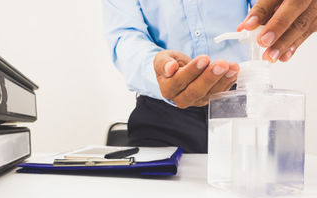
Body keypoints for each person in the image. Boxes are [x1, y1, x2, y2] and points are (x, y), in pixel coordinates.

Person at [102, 0, 317, 153]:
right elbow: (126, 35)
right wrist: (157, 69)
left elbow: (269, 7)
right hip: (163, 110)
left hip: (240, 104)